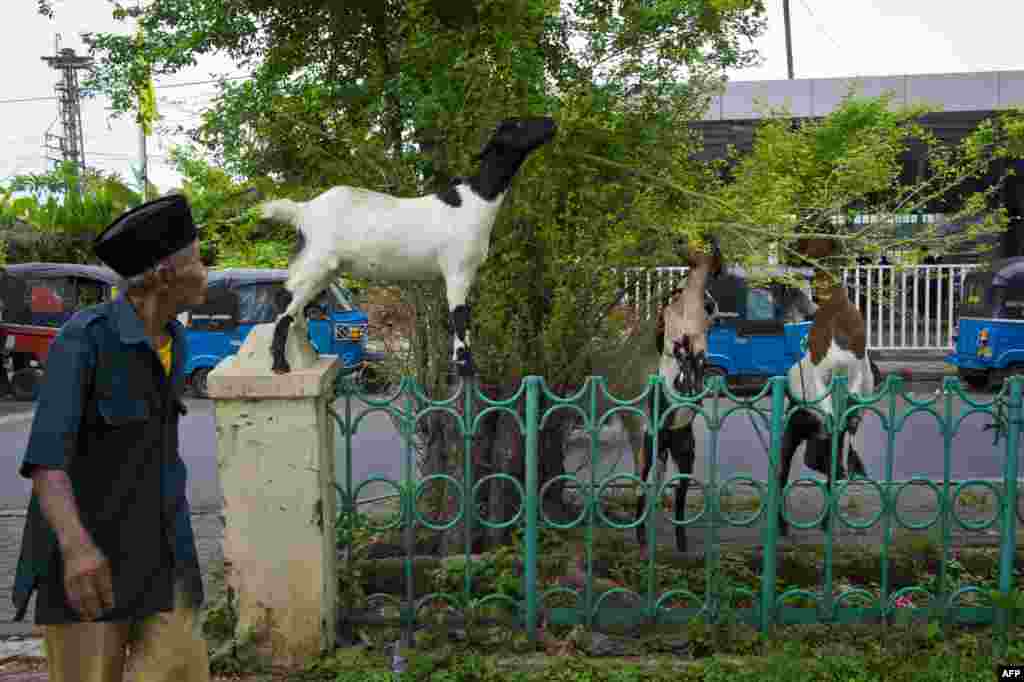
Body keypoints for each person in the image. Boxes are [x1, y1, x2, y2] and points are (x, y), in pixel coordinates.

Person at [11, 195, 211, 681]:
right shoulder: (85, 339)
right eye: (198, 260)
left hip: (162, 553)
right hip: (88, 565)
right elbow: (46, 461)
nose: (206, 272)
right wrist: (77, 551)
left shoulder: (176, 340)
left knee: (181, 666)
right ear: (165, 275)